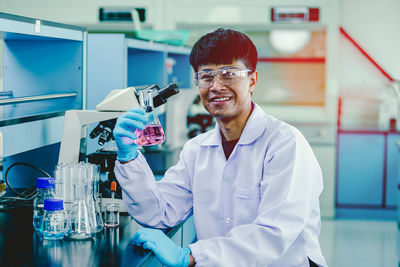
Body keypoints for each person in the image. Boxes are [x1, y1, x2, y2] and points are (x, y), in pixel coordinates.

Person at [113, 28, 327, 267]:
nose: (216, 86)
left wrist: (191, 257)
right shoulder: (197, 150)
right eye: (206, 76)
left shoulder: (285, 144)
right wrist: (128, 157)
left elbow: (273, 235)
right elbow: (160, 213)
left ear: (252, 80)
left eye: (229, 74)